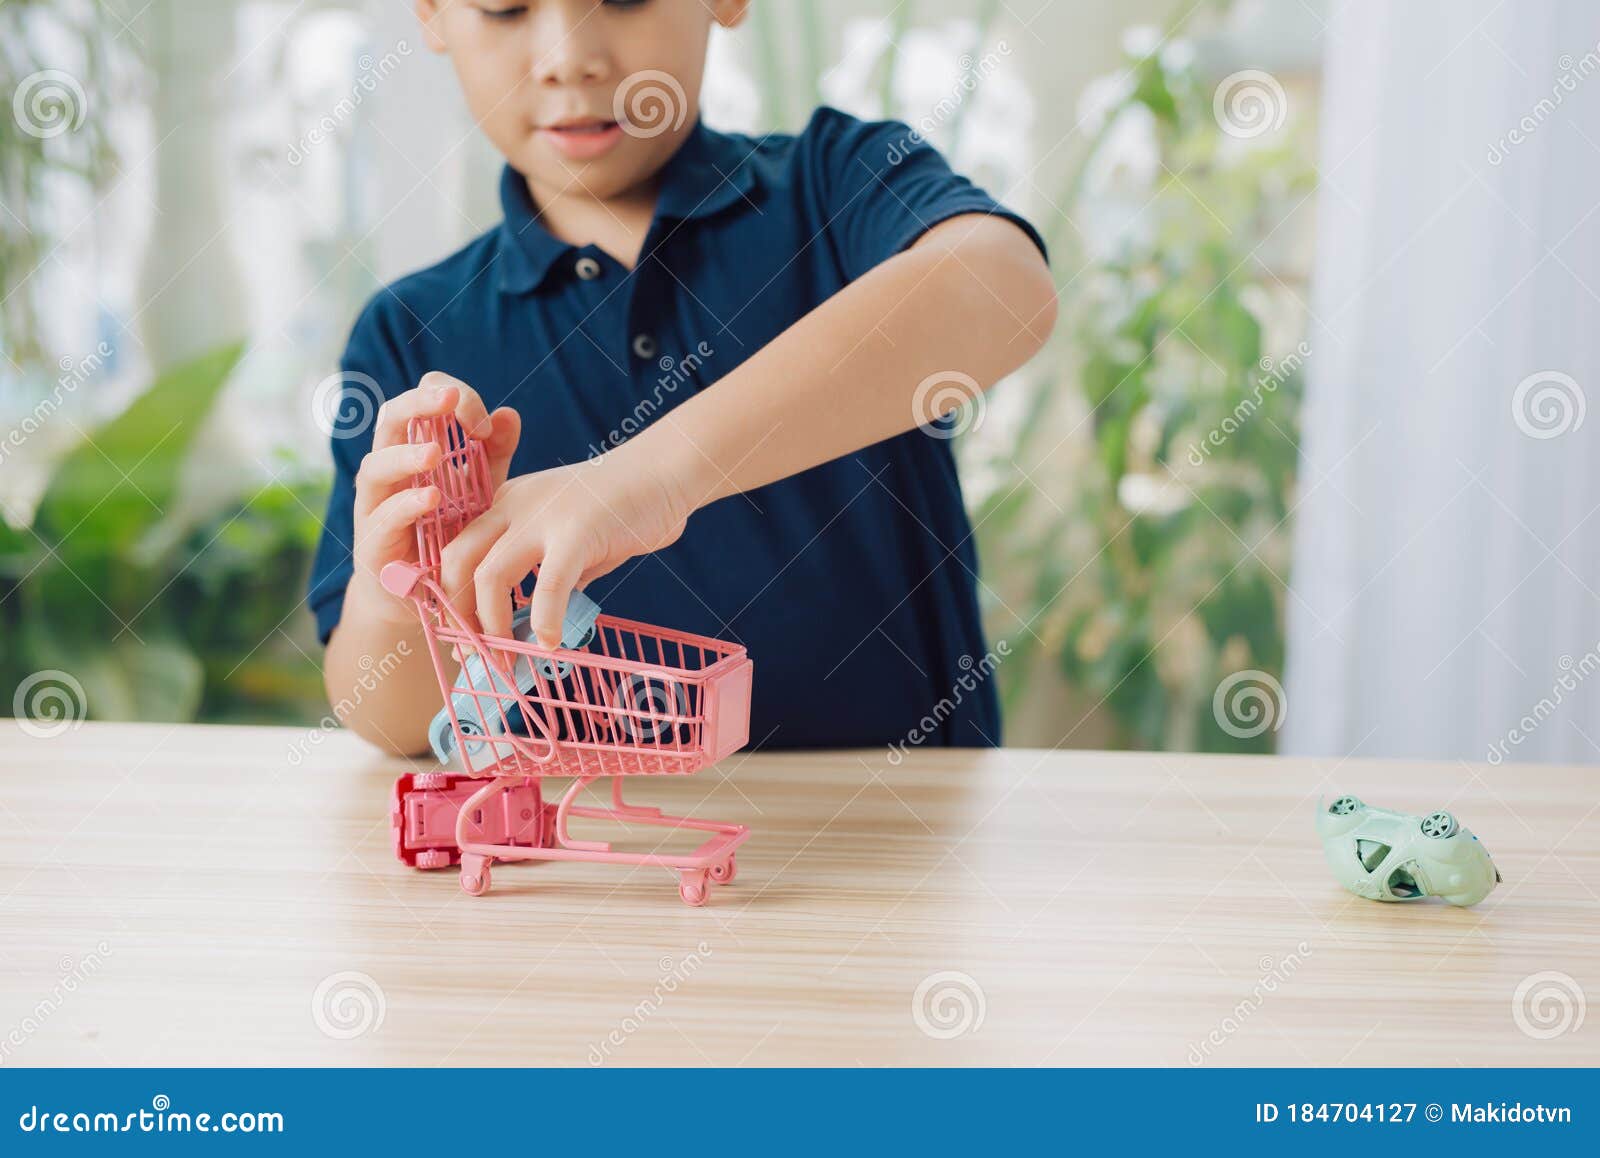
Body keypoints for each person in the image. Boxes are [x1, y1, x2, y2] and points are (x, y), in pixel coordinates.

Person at [307, 0, 1056, 756]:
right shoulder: (413, 331)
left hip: (901, 840)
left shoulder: (838, 184)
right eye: (506, 6)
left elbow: (1004, 287)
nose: (569, 57)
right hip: (580, 848)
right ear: (432, 15)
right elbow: (392, 723)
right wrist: (399, 600)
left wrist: (648, 478)